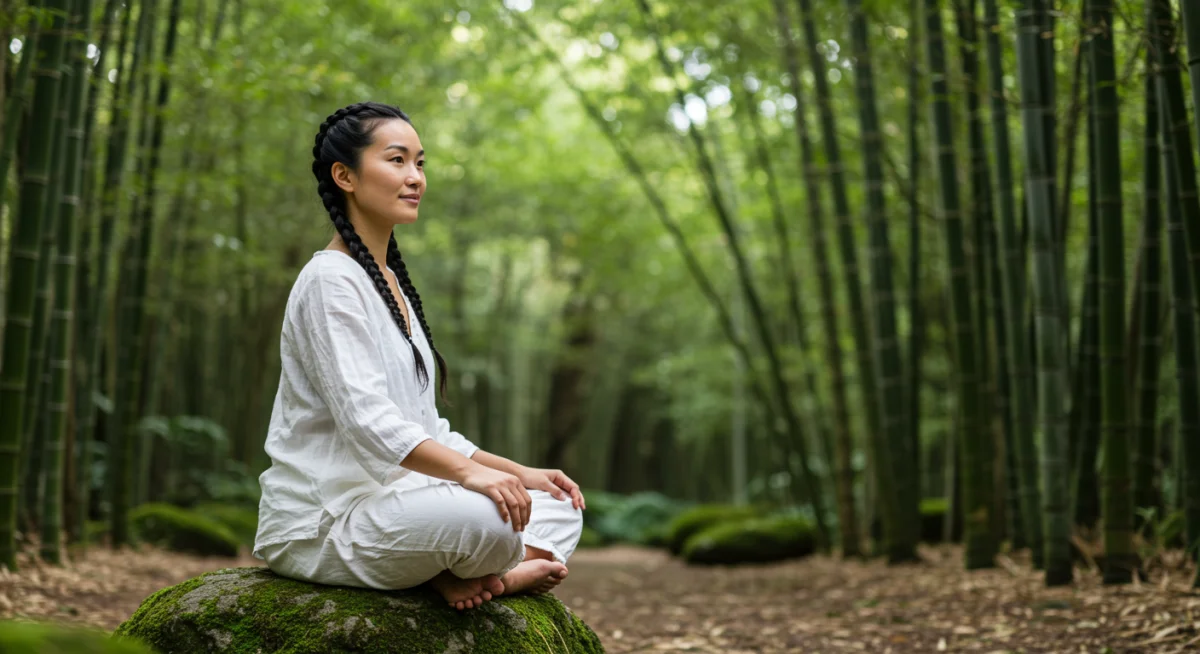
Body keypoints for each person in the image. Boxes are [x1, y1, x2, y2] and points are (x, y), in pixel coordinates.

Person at [253, 102, 586, 611]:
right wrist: (472, 478)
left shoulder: (392, 287)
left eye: (420, 163)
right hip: (326, 520)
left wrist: (522, 473)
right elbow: (368, 421)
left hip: (399, 506)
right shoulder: (329, 280)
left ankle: (465, 575)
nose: (415, 178)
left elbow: (429, 429)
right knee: (489, 519)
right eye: (396, 160)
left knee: (558, 503)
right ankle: (495, 573)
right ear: (344, 175)